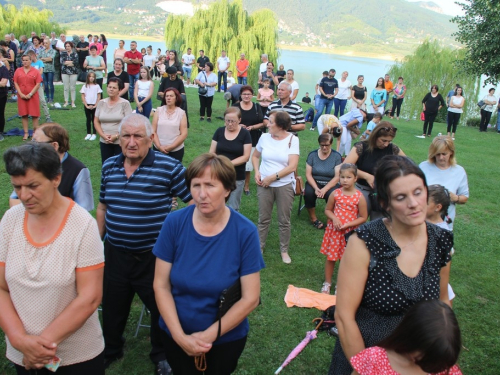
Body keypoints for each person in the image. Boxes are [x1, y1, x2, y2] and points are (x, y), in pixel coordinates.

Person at [329, 155, 453, 375]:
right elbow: (344, 316)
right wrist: (367, 370)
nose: (414, 203)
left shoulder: (440, 241)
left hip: (420, 362)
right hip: (365, 356)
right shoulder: (364, 241)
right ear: (385, 204)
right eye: (401, 197)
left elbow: (443, 303)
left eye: (418, 192)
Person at [97, 114, 192, 374]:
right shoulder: (109, 167)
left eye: (138, 136)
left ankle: (161, 354)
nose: (131, 142)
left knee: (161, 306)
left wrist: (181, 241)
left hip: (153, 256)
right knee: (113, 305)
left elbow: (193, 204)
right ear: (118, 139)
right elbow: (103, 206)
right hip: (115, 252)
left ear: (150, 139)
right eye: (125, 136)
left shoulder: (169, 167)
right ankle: (111, 348)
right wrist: (97, 241)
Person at [153, 153, 264, 375]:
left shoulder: (245, 232)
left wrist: (207, 336)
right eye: (196, 185)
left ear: (227, 189)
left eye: (210, 186)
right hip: (176, 334)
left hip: (225, 339)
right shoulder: (174, 223)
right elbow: (160, 285)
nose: (201, 194)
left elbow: (251, 298)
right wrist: (179, 337)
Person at [1, 143, 105, 374]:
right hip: (23, 354)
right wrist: (19, 340)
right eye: (17, 187)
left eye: (33, 186)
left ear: (56, 178)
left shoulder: (82, 226)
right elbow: (1, 288)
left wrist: (39, 347)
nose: (24, 196)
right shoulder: (10, 221)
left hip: (75, 358)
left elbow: (90, 297)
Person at [351, 300, 462, 375]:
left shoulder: (443, 365)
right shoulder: (374, 359)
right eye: (423, 359)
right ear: (411, 339)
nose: (430, 366)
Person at [9, 123, 95, 211]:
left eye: (36, 143)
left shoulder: (78, 170)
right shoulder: (30, 164)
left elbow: (84, 208)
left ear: (54, 146)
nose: (31, 147)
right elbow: (14, 200)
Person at [252, 111, 299, 264]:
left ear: (280, 125)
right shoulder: (264, 137)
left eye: (271, 122)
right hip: (263, 184)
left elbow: (292, 167)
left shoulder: (293, 139)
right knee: (263, 218)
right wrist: (257, 172)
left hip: (283, 185)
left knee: (284, 220)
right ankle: (259, 247)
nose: (268, 124)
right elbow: (255, 156)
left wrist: (272, 177)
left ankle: (284, 250)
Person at [320, 164, 367, 294]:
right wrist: (334, 218)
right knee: (331, 257)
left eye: (348, 177)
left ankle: (340, 285)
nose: (345, 180)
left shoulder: (359, 196)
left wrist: (349, 224)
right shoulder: (335, 194)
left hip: (349, 233)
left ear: (355, 178)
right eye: (342, 177)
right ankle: (327, 283)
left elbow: (363, 217)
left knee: (345, 260)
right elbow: (328, 210)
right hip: (335, 232)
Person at [343, 122, 405, 219]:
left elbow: (408, 165)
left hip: (383, 192)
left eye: (389, 141)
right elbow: (346, 167)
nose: (386, 144)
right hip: (363, 190)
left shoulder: (392, 149)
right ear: (375, 136)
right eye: (383, 140)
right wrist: (366, 176)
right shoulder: (361, 147)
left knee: (380, 225)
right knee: (355, 222)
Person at [419, 136, 468, 230]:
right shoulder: (424, 167)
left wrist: (456, 198)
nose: (441, 158)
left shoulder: (459, 171)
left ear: (451, 153)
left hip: (445, 224)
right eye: (438, 154)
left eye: (444, 154)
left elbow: (464, 197)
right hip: (422, 220)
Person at [209, 107, 252, 211]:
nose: (230, 124)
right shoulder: (219, 131)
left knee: (233, 207)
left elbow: (246, 157)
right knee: (216, 203)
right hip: (218, 173)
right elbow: (211, 152)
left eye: (233, 121)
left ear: (239, 120)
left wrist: (226, 163)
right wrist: (219, 165)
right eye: (227, 121)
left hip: (236, 175)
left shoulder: (245, 134)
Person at [304, 133, 343, 229]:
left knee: (332, 194)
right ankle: (313, 219)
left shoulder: (336, 156)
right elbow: (308, 174)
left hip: (331, 182)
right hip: (315, 181)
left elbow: (337, 177)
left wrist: (324, 189)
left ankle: (330, 220)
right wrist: (316, 188)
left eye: (327, 145)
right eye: (322, 145)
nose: (324, 148)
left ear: (331, 144)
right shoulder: (312, 155)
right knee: (309, 193)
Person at [426, 184, 456, 304]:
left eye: (425, 202)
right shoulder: (419, 222)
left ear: (437, 207)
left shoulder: (442, 233)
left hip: (433, 280)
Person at [234, 85, 265, 196]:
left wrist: (252, 127)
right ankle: (233, 183)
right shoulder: (236, 106)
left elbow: (263, 123)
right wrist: (238, 125)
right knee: (235, 160)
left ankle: (246, 186)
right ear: (241, 95)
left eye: (249, 94)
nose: (246, 96)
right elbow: (228, 120)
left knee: (248, 165)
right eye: (244, 94)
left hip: (252, 138)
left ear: (252, 95)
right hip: (236, 137)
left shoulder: (257, 107)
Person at [94, 77, 133, 163]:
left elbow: (129, 123)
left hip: (120, 141)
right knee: (106, 164)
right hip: (104, 140)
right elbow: (96, 121)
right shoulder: (101, 103)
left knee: (121, 165)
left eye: (114, 88)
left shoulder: (125, 104)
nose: (111, 89)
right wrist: (103, 135)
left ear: (119, 90)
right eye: (109, 87)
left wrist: (116, 136)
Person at [152, 87, 188, 162]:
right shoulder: (159, 110)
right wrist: (159, 147)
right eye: (167, 96)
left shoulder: (181, 113)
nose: (168, 98)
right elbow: (153, 131)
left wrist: (171, 147)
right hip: (158, 149)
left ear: (176, 98)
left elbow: (184, 134)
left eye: (171, 96)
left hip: (176, 151)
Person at [14, 54, 42, 140]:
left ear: (30, 61)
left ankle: (35, 133)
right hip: (21, 96)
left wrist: (30, 94)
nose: (25, 62)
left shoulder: (36, 71)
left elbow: (38, 84)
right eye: (23, 60)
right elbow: (15, 82)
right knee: (24, 114)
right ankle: (25, 133)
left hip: (32, 96)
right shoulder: (18, 71)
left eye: (26, 60)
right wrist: (21, 94)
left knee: (34, 114)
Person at [27, 50, 52, 124]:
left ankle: (47, 116)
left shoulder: (40, 62)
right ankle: (36, 115)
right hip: (31, 85)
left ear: (34, 55)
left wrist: (33, 74)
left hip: (38, 84)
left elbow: (40, 72)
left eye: (31, 56)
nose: (30, 58)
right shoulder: (29, 64)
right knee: (33, 101)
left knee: (42, 100)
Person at [80, 71, 102, 141]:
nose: (91, 78)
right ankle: (88, 133)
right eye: (90, 77)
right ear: (88, 78)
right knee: (88, 119)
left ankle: (94, 133)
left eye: (93, 77)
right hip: (87, 105)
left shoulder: (97, 86)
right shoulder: (85, 86)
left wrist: (96, 105)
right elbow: (83, 96)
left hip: (94, 105)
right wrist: (86, 105)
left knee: (94, 119)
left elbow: (99, 96)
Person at [60, 41, 79, 108]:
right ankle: (66, 101)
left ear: (71, 47)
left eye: (69, 46)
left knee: (72, 87)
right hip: (64, 72)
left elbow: (76, 62)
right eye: (66, 46)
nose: (67, 47)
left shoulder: (75, 54)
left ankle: (73, 102)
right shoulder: (63, 54)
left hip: (73, 72)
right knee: (66, 87)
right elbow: (62, 62)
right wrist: (71, 62)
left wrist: (68, 63)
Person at [39, 38, 56, 104]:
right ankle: (47, 97)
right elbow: (39, 59)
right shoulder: (41, 51)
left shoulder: (52, 51)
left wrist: (43, 59)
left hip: (50, 69)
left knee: (50, 84)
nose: (45, 44)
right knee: (45, 84)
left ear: (49, 43)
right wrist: (46, 59)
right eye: (44, 43)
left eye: (46, 43)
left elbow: (51, 59)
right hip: (43, 69)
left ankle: (51, 97)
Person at [0, 51, 8, 141]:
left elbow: (3, 83)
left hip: (1, 95)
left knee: (0, 113)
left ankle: (0, 132)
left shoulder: (3, 69)